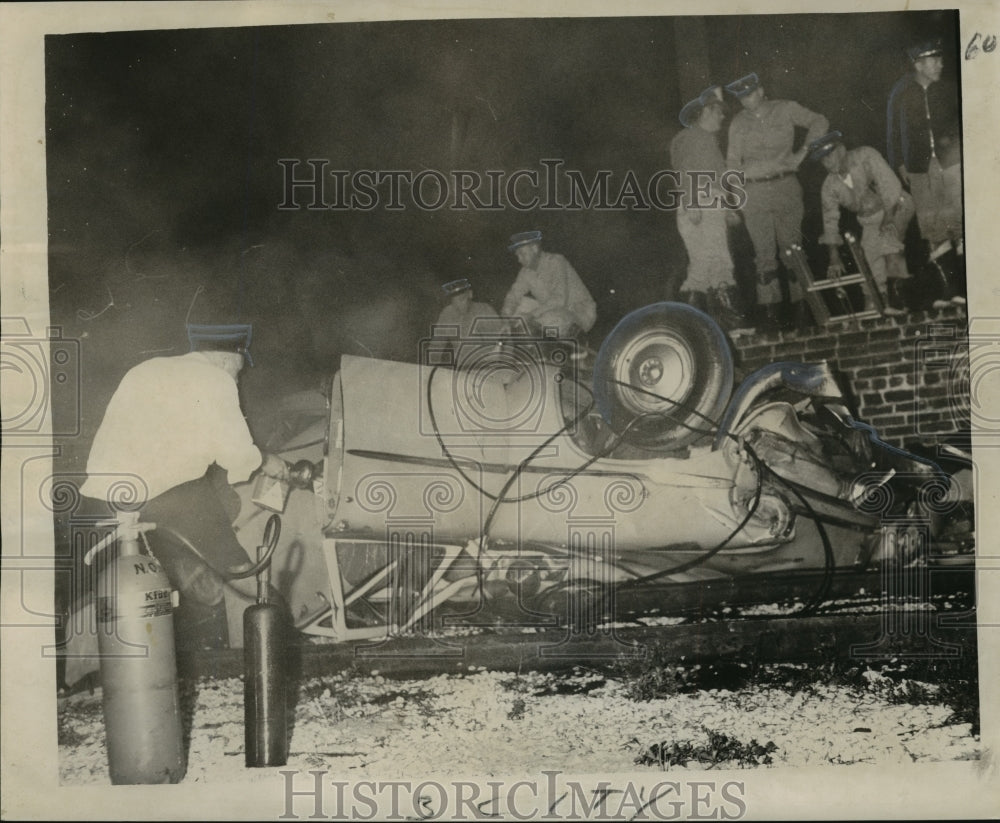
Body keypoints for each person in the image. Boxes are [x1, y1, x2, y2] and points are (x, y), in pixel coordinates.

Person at [79, 323, 289, 648]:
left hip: (106, 495)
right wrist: (269, 461)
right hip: (167, 492)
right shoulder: (216, 379)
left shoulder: (148, 369)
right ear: (226, 358)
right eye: (239, 368)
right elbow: (237, 456)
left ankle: (82, 671)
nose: (239, 376)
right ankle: (282, 646)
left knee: (131, 580)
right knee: (243, 572)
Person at [725, 72, 829, 333]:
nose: (747, 101)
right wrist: (735, 201)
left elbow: (820, 121)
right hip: (754, 192)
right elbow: (732, 164)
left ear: (760, 90)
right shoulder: (737, 123)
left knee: (793, 250)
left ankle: (803, 310)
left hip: (785, 186)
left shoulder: (785, 109)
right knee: (763, 255)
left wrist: (802, 153)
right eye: (741, 98)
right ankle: (772, 316)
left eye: (750, 94)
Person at [886, 39, 964, 305]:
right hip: (920, 167)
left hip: (951, 164)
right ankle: (951, 291)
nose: (941, 64)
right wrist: (899, 163)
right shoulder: (901, 92)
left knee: (960, 223)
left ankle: (970, 287)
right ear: (918, 64)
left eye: (940, 59)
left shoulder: (950, 89)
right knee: (933, 228)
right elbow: (894, 132)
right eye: (934, 60)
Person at [669, 84, 750, 334]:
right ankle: (705, 327)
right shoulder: (688, 138)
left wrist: (727, 209)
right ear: (704, 112)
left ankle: (710, 329)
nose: (722, 117)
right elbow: (683, 172)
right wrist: (691, 202)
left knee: (711, 266)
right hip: (699, 204)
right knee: (709, 264)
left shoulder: (708, 140)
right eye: (718, 112)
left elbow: (717, 178)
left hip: (710, 204)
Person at [809, 130, 914, 316]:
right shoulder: (829, 185)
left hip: (896, 205)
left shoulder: (866, 155)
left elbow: (890, 187)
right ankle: (875, 304)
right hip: (869, 219)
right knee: (869, 259)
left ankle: (899, 300)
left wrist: (888, 219)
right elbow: (830, 220)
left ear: (841, 150)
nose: (828, 162)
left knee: (889, 243)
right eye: (823, 160)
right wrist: (834, 257)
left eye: (830, 155)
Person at [501, 231, 597, 344]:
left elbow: (559, 300)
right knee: (521, 307)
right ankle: (523, 348)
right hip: (551, 310)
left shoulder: (556, 262)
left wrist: (531, 315)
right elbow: (513, 296)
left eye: (522, 254)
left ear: (534, 249)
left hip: (579, 311)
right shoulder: (525, 272)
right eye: (517, 255)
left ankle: (578, 338)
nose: (519, 259)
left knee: (543, 319)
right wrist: (507, 318)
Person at [430, 278, 503, 368]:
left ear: (470, 294)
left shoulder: (485, 310)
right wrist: (431, 369)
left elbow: (503, 339)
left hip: (488, 366)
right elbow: (436, 345)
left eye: (461, 300)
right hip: (463, 368)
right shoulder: (447, 314)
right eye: (454, 302)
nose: (458, 306)